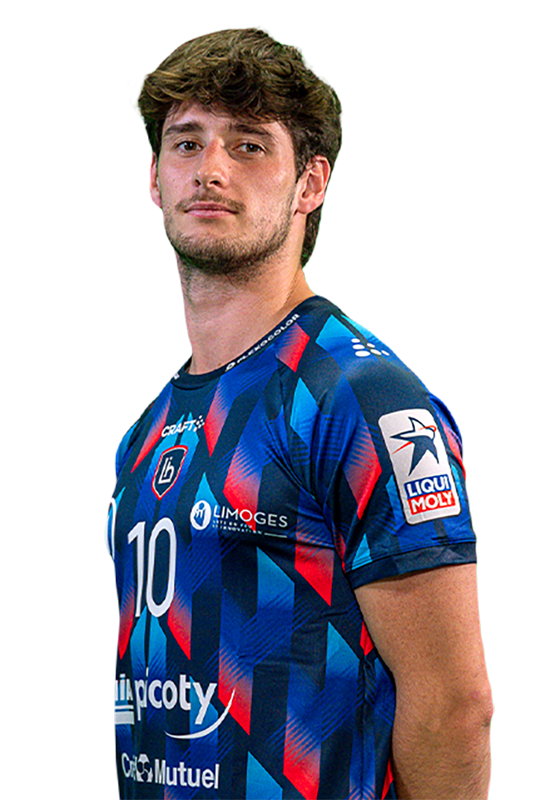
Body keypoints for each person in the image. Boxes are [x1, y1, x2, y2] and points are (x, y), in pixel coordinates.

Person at [106, 26, 493, 800]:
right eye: (186, 143)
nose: (210, 169)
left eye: (248, 145)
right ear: (152, 178)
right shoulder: (150, 424)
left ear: (309, 184)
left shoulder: (360, 396)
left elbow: (453, 708)